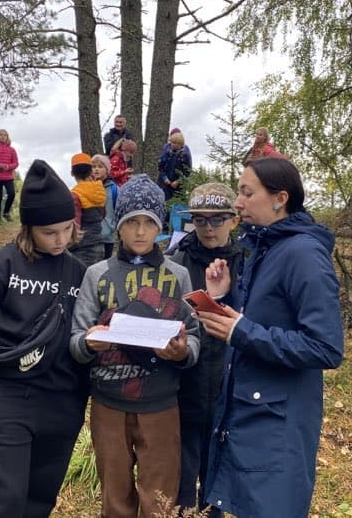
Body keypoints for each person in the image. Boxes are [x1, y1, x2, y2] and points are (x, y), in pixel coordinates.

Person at [196, 158, 344, 518]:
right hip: (247, 414)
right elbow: (261, 320)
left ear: (280, 198)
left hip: (278, 425)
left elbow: (326, 347)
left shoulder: (303, 255)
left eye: (247, 193)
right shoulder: (264, 248)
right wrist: (223, 298)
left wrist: (241, 331)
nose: (238, 203)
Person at [0, 160, 89, 518]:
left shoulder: (79, 272)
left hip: (60, 403)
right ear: (28, 228)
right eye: (49, 232)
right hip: (3, 399)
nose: (60, 240)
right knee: (5, 504)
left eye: (66, 229)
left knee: (39, 502)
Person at [70, 174, 201, 518]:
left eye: (149, 223)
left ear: (159, 226)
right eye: (132, 222)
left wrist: (183, 352)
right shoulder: (97, 274)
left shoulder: (178, 276)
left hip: (161, 403)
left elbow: (194, 333)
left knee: (159, 496)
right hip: (108, 403)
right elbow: (76, 337)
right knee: (115, 494)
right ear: (119, 227)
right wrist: (89, 343)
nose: (140, 231)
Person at [168, 183, 242, 517]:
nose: (208, 228)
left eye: (217, 220)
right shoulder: (175, 262)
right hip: (184, 383)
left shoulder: (250, 263)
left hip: (231, 388)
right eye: (200, 220)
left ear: (234, 220)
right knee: (181, 480)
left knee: (217, 482)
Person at [69, 153, 106, 267]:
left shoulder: (75, 195)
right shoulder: (99, 190)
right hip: (99, 245)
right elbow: (103, 214)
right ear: (90, 171)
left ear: (72, 173)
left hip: (82, 250)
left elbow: (76, 225)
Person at [91, 154, 117, 259]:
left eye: (100, 166)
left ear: (107, 170)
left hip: (108, 236)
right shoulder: (87, 188)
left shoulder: (114, 189)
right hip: (92, 236)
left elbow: (117, 209)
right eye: (93, 167)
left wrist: (113, 227)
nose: (96, 169)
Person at [158, 130, 193, 201]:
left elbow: (187, 171)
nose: (172, 145)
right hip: (165, 183)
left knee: (177, 204)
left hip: (178, 186)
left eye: (174, 143)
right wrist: (165, 178)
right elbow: (161, 166)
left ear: (179, 144)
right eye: (171, 142)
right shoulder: (167, 151)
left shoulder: (185, 154)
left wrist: (178, 181)